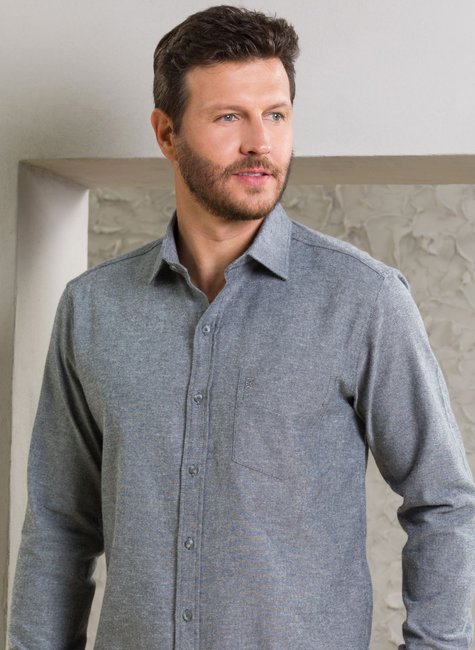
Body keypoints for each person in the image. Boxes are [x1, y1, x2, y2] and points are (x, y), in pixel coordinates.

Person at [9, 5, 475, 649]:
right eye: (229, 117)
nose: (261, 142)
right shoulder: (93, 308)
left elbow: (443, 502)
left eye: (276, 115)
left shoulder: (363, 300)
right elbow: (60, 525)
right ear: (166, 133)